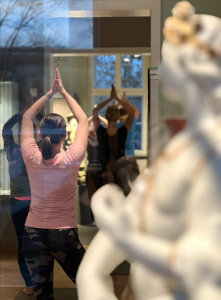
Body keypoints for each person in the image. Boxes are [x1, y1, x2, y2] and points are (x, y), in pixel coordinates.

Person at [77, 2, 221, 300]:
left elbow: (203, 266)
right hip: (108, 173)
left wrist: (120, 231)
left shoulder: (208, 149)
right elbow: (94, 269)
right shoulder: (180, 148)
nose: (161, 66)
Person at [21, 68, 88, 300]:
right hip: (63, 235)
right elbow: (82, 120)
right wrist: (63, 92)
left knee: (42, 296)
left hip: (32, 233)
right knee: (91, 281)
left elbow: (27, 116)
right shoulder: (71, 159)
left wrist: (50, 93)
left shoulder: (31, 155)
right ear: (65, 136)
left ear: (41, 133)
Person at [2, 102, 35, 295]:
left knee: (25, 243)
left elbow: (7, 129)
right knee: (31, 243)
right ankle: (33, 283)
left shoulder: (13, 149)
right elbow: (7, 130)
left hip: (25, 202)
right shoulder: (32, 150)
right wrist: (30, 116)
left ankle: (31, 284)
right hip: (28, 202)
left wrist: (20, 115)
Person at [92, 85, 134, 193]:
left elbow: (95, 112)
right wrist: (117, 98)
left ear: (106, 116)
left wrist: (109, 99)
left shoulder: (101, 132)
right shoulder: (122, 132)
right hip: (119, 172)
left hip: (104, 173)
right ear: (118, 117)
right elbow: (132, 112)